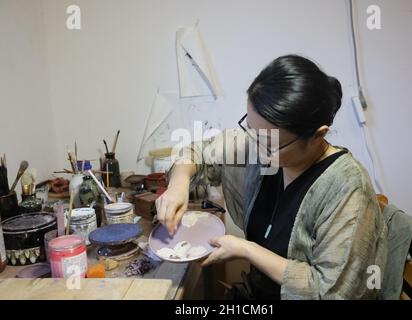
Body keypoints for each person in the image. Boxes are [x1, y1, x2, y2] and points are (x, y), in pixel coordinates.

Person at [156, 54, 387, 299]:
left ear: (318, 135)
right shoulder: (259, 146)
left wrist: (247, 250)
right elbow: (196, 152)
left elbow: (332, 291)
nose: (255, 147)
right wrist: (178, 184)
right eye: (251, 129)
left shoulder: (347, 188)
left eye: (270, 144)